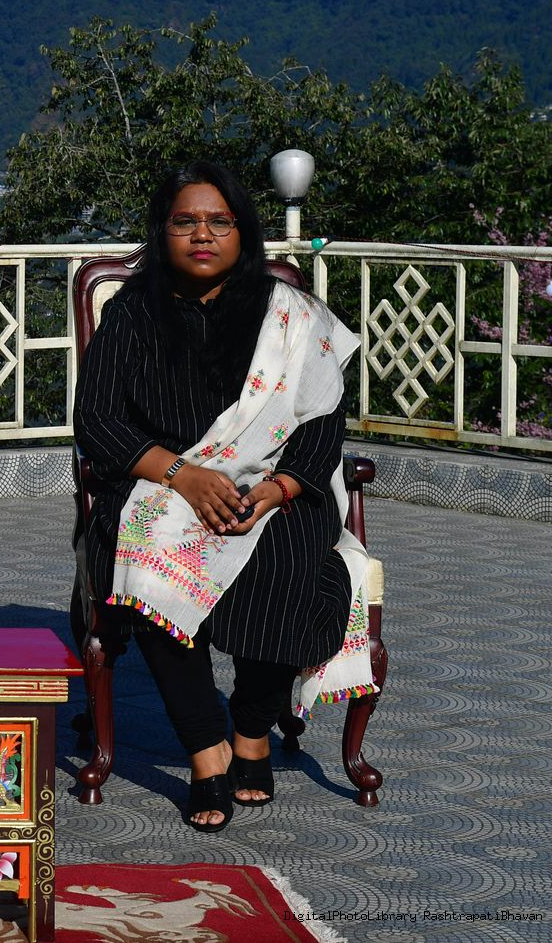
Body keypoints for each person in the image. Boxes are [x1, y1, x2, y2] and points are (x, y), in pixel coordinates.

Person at [74, 161, 376, 833]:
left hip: (275, 487)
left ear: (244, 232)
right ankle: (206, 748)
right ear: (163, 232)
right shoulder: (132, 312)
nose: (202, 234)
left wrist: (277, 488)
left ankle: (251, 731)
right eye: (185, 221)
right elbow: (96, 420)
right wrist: (182, 476)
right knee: (148, 551)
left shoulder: (290, 316)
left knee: (291, 558)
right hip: (161, 484)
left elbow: (322, 421)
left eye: (219, 222)